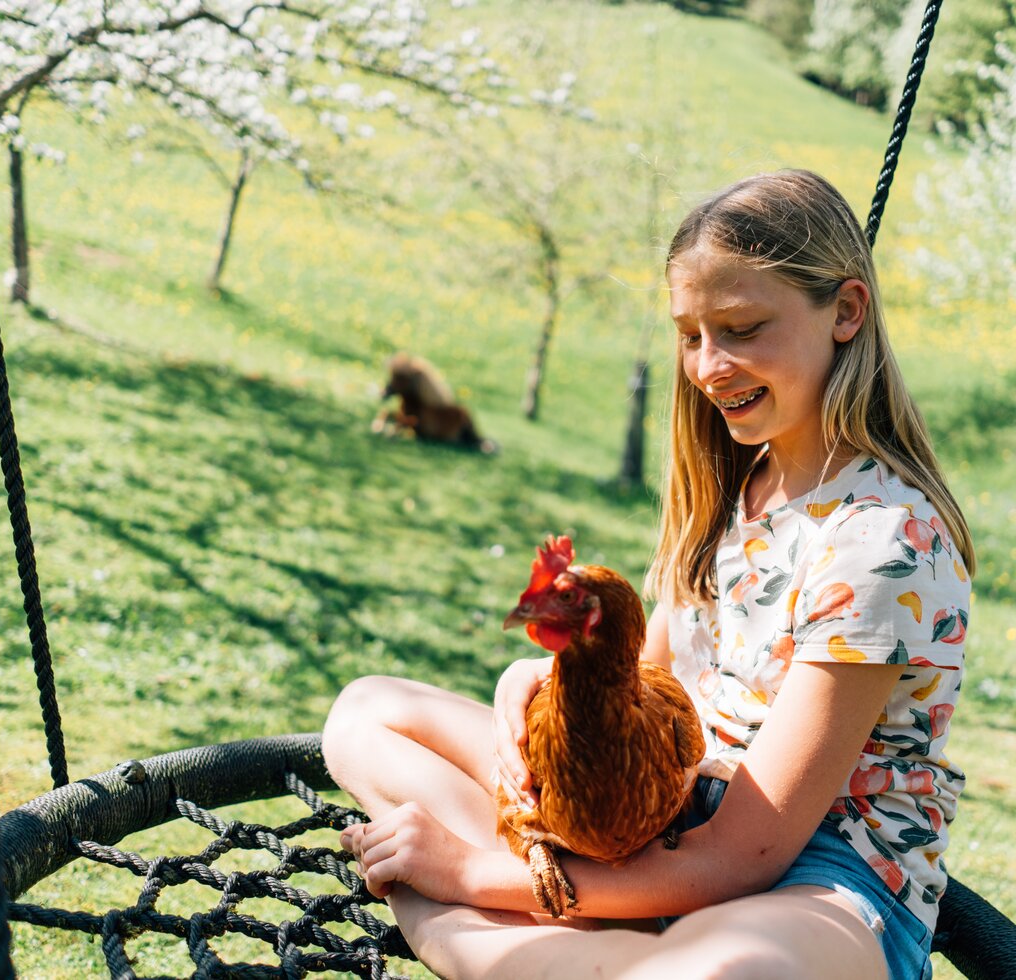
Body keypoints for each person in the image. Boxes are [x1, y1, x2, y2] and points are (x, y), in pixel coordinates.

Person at [323, 169, 972, 980]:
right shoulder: (734, 487)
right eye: (691, 334)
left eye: (741, 328)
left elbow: (743, 855)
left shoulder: (883, 542)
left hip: (815, 876)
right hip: (656, 817)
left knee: (710, 976)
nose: (709, 365)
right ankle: (571, 944)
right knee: (366, 713)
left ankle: (467, 925)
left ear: (845, 312)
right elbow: (646, 684)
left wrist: (461, 872)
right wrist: (548, 683)